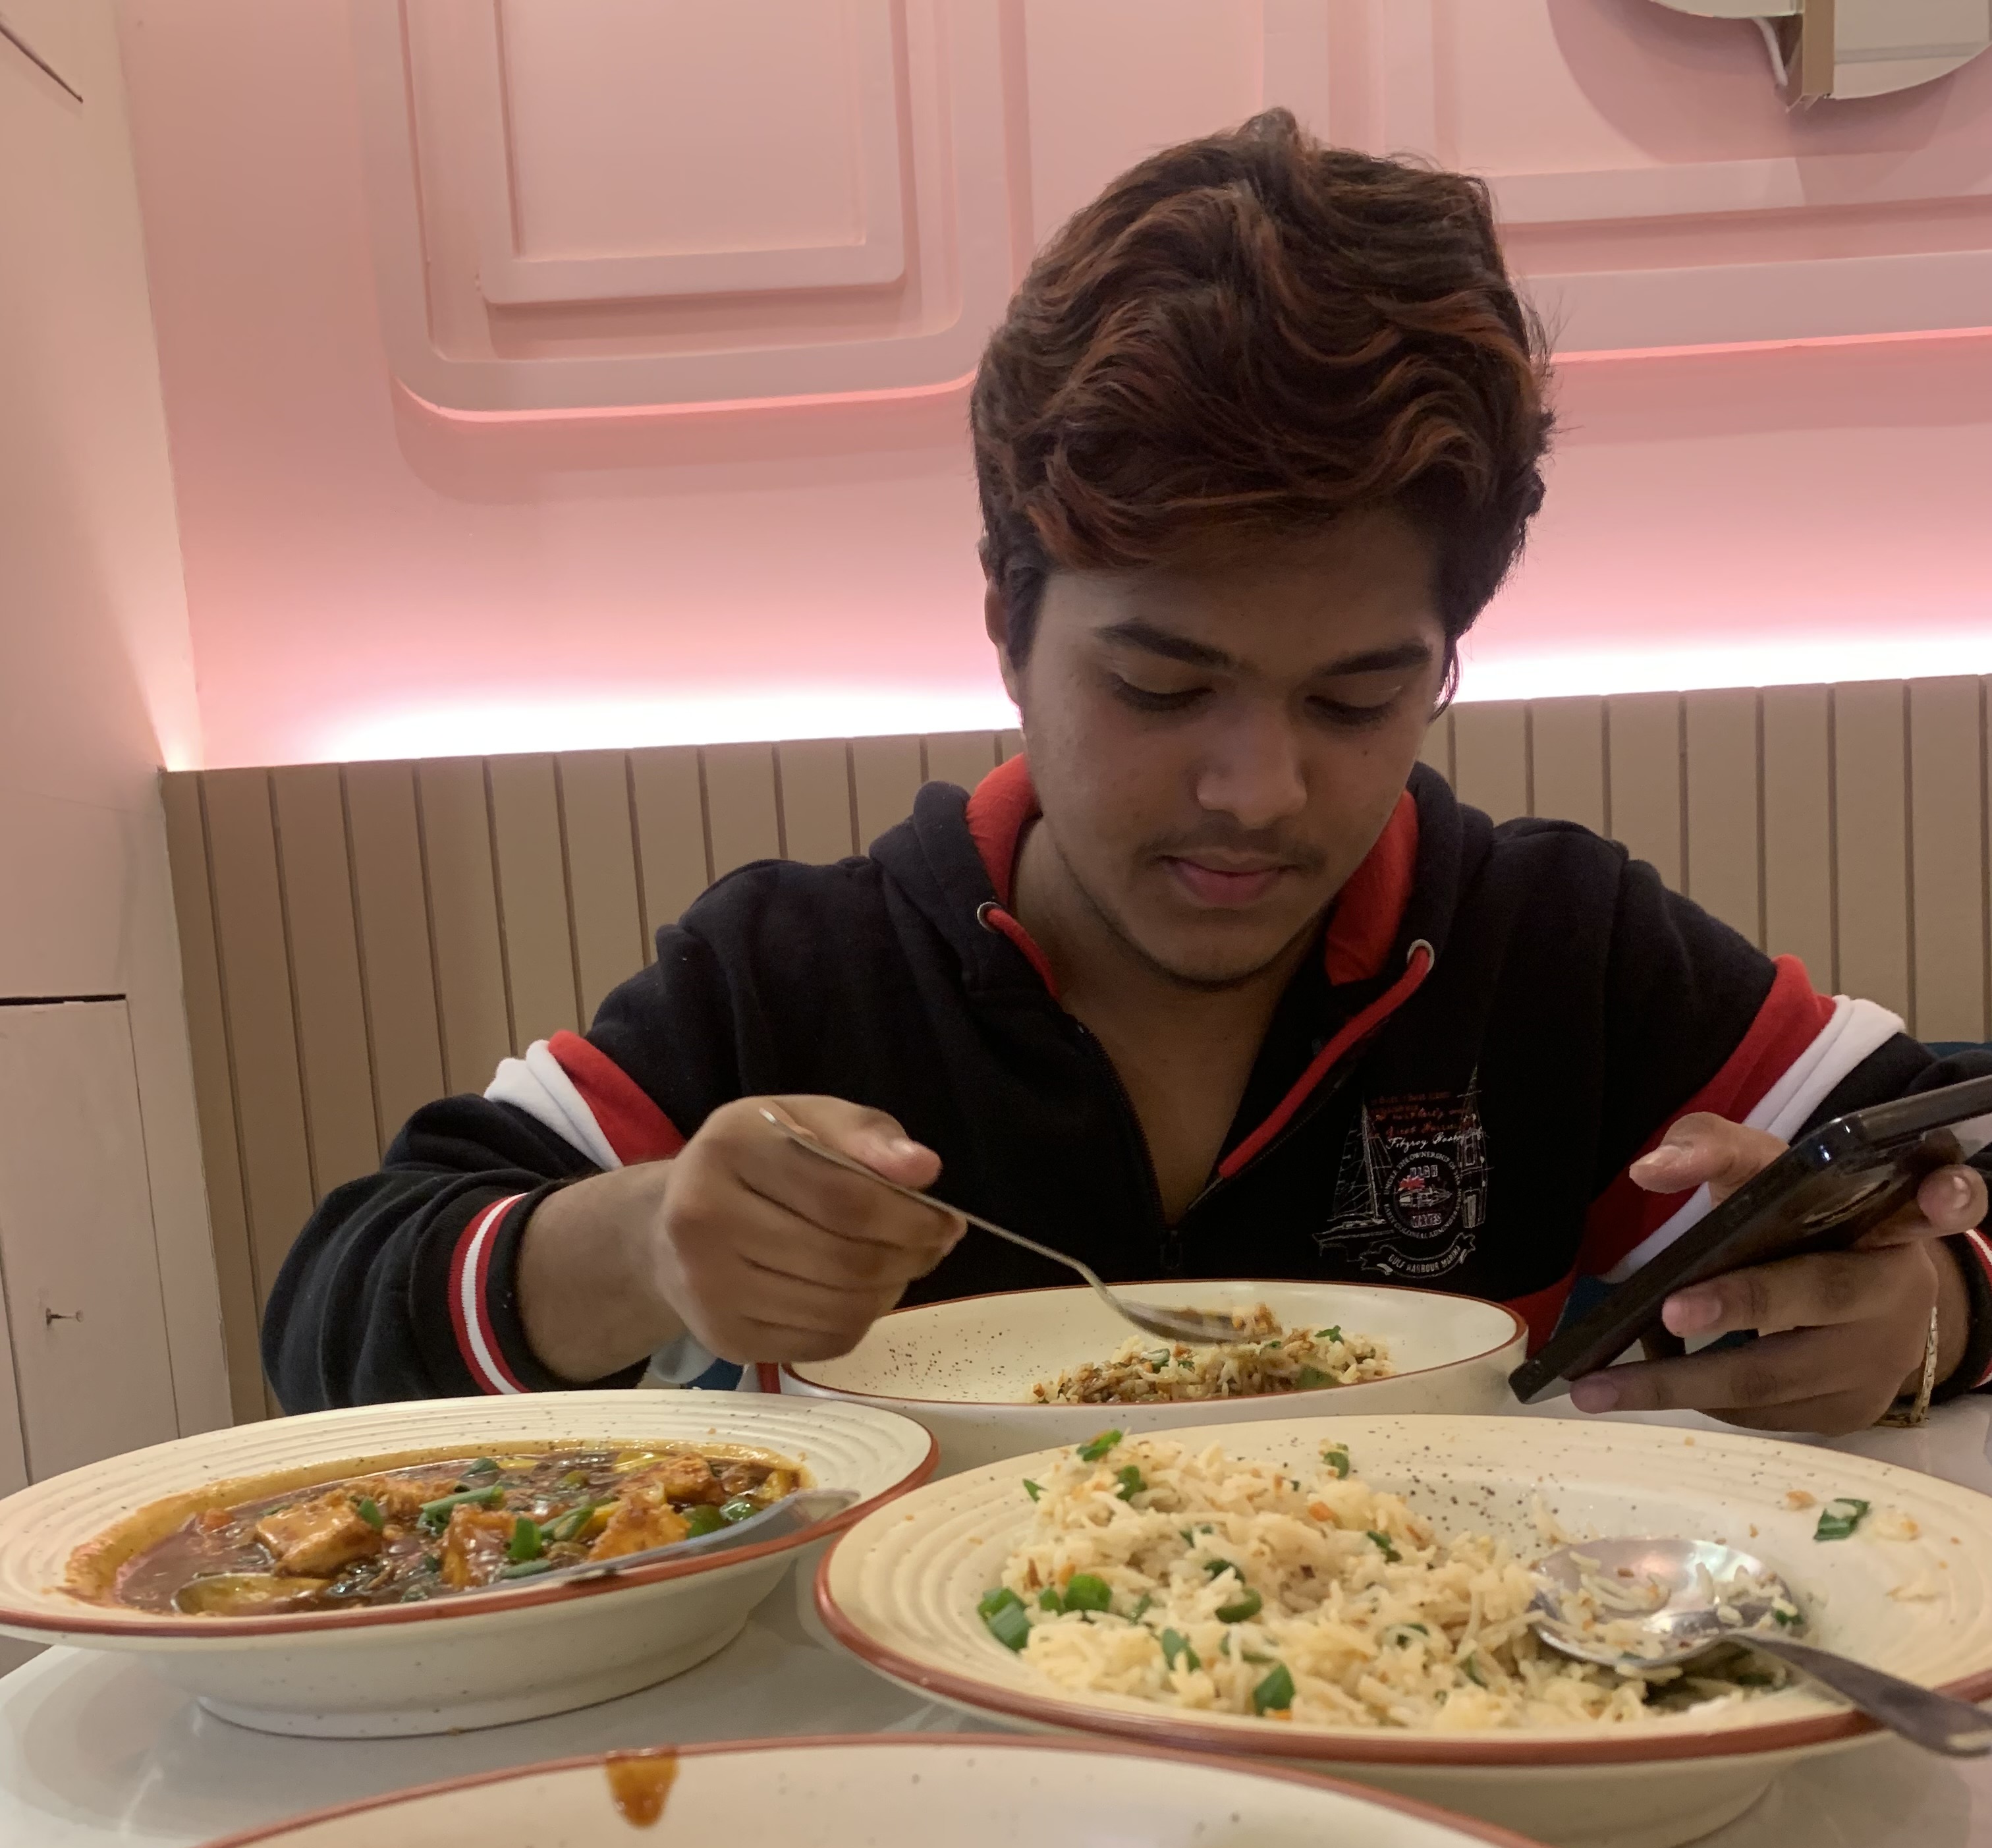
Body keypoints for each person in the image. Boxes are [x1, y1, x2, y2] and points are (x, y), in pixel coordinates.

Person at [265, 113, 1992, 1437]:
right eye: (1163, 687)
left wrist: (1932, 1307)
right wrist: (646, 1246)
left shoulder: (1554, 950)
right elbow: (335, 1313)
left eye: (1357, 699)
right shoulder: (801, 977)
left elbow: (1938, 1153)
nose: (1258, 791)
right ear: (1009, 628)